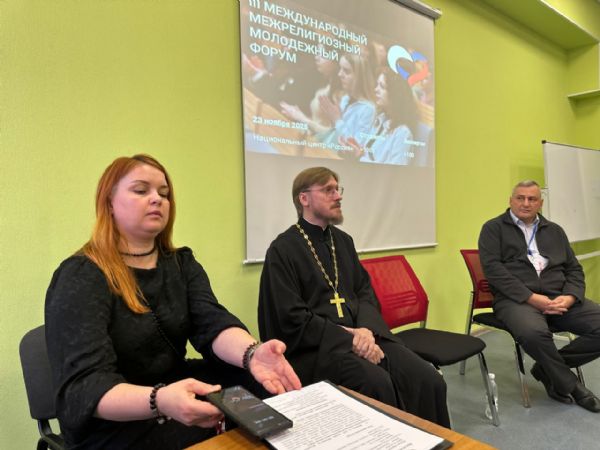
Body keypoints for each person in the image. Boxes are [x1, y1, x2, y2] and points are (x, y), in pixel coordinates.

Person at [45, 154, 301, 450]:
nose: (157, 199)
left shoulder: (181, 263)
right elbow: (85, 387)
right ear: (109, 203)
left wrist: (252, 353)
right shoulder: (80, 275)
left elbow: (212, 323)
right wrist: (159, 400)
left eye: (164, 193)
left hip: (174, 387)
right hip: (117, 415)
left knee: (260, 383)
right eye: (141, 190)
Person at [257, 167, 450, 427]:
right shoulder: (283, 249)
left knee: (427, 378)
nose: (338, 196)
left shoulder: (343, 242)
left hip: (363, 336)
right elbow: (289, 317)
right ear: (304, 199)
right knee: (376, 383)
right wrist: (349, 337)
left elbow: (364, 292)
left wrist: (366, 332)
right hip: (317, 348)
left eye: (338, 189)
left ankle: (432, 442)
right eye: (328, 190)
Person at [479, 180, 600, 412]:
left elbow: (574, 269)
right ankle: (572, 386)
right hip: (516, 300)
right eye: (520, 198)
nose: (526, 203)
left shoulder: (555, 231)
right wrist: (532, 298)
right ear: (511, 200)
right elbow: (494, 272)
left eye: (532, 199)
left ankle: (546, 369)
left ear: (540, 203)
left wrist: (571, 296)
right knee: (533, 333)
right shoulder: (493, 229)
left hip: (559, 297)